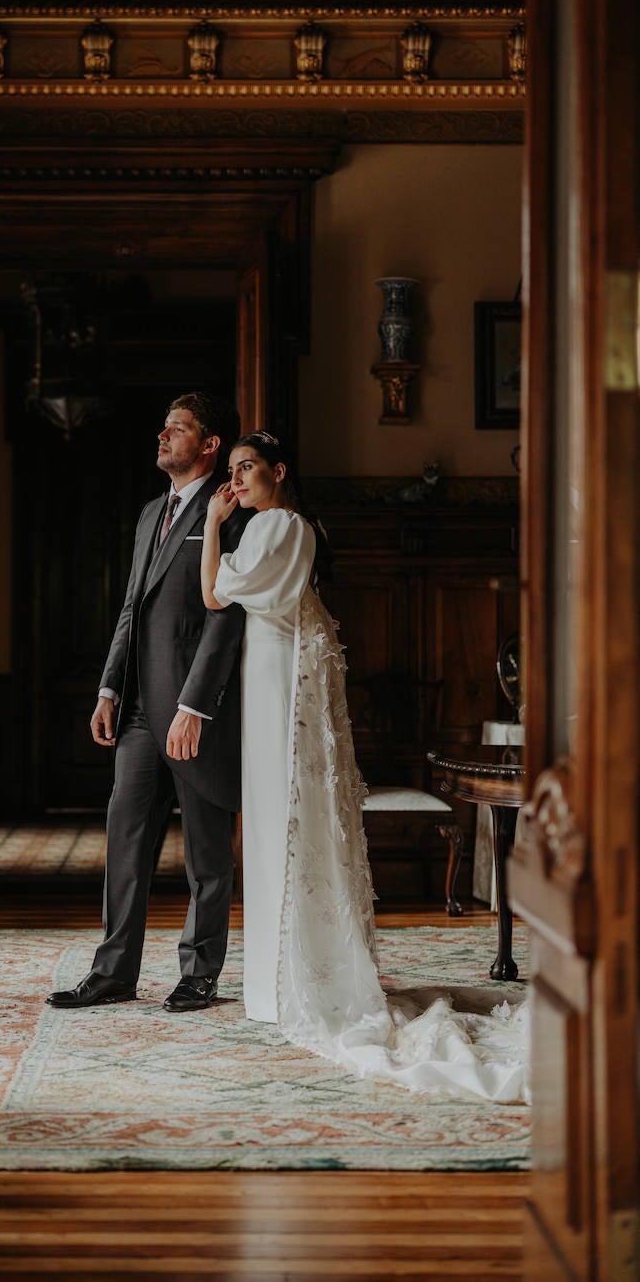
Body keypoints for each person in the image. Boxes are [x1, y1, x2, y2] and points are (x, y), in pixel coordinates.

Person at [200, 430, 529, 1103]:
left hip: (286, 672)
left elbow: (215, 592)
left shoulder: (284, 526)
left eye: (248, 468)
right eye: (230, 471)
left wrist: (211, 524)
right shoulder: (265, 528)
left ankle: (303, 977)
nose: (236, 481)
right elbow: (222, 594)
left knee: (292, 812)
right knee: (270, 816)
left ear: (279, 471)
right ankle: (276, 980)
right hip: (268, 666)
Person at [47, 393, 250, 1013]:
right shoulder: (147, 515)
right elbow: (132, 609)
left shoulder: (234, 513)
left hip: (196, 712)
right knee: (125, 838)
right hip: (138, 710)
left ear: (209, 445)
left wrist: (196, 706)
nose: (163, 435)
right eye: (164, 426)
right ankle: (113, 971)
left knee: (206, 853)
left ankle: (200, 973)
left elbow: (226, 618)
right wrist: (109, 686)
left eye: (179, 428)